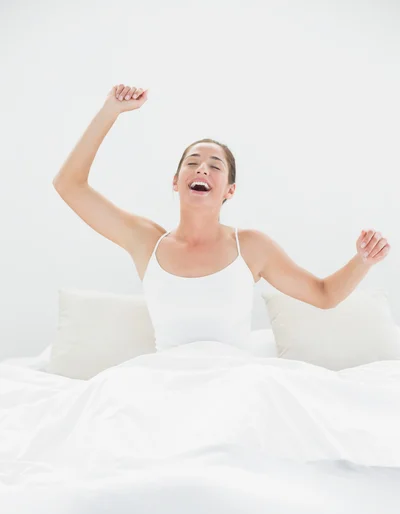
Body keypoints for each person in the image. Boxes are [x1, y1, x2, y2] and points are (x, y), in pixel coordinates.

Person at [52, 83, 345, 352]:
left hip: (235, 383)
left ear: (229, 190)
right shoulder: (146, 241)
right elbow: (68, 185)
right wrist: (110, 111)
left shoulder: (252, 246)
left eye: (214, 166)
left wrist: (364, 259)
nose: (202, 168)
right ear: (176, 181)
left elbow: (324, 294)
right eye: (192, 163)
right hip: (166, 384)